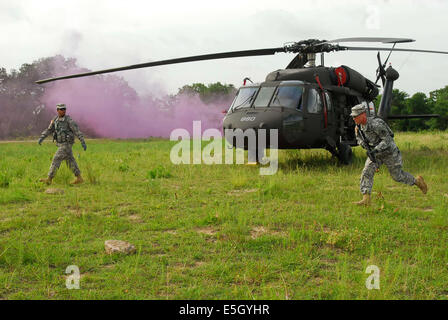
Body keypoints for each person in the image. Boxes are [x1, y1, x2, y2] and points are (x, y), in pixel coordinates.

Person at [350, 104, 427, 206]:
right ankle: (366, 199)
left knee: (397, 176)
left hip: (389, 152)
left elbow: (388, 140)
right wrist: (365, 146)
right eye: (353, 116)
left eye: (355, 116)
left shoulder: (376, 124)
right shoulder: (359, 127)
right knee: (366, 172)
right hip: (375, 154)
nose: (353, 118)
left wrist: (375, 150)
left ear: (363, 115)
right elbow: (359, 139)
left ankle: (417, 181)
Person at [38, 103, 87, 185]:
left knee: (56, 158)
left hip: (66, 144)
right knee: (70, 161)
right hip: (60, 144)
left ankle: (49, 178)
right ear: (57, 110)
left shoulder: (69, 120)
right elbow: (49, 130)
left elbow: (77, 131)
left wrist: (82, 141)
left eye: (64, 109)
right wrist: (42, 137)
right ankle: (79, 178)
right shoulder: (55, 120)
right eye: (61, 109)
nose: (63, 110)